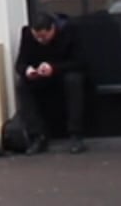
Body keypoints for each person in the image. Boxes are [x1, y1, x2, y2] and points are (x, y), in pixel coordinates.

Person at [12, 12, 88, 153]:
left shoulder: (69, 32)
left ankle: (76, 134)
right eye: (37, 37)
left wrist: (54, 68)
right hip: (40, 75)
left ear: (53, 29)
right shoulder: (27, 35)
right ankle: (37, 135)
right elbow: (20, 63)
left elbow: (80, 62)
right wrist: (27, 71)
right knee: (22, 85)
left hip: (63, 73)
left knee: (74, 81)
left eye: (44, 36)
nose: (41, 41)